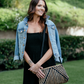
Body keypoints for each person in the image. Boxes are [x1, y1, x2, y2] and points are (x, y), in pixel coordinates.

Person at [14, 0, 63, 84]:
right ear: (32, 7)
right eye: (39, 5)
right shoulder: (22, 25)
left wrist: (37, 66)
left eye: (44, 6)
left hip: (47, 64)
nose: (42, 8)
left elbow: (52, 49)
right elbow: (21, 48)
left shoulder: (49, 25)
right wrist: (32, 66)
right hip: (30, 66)